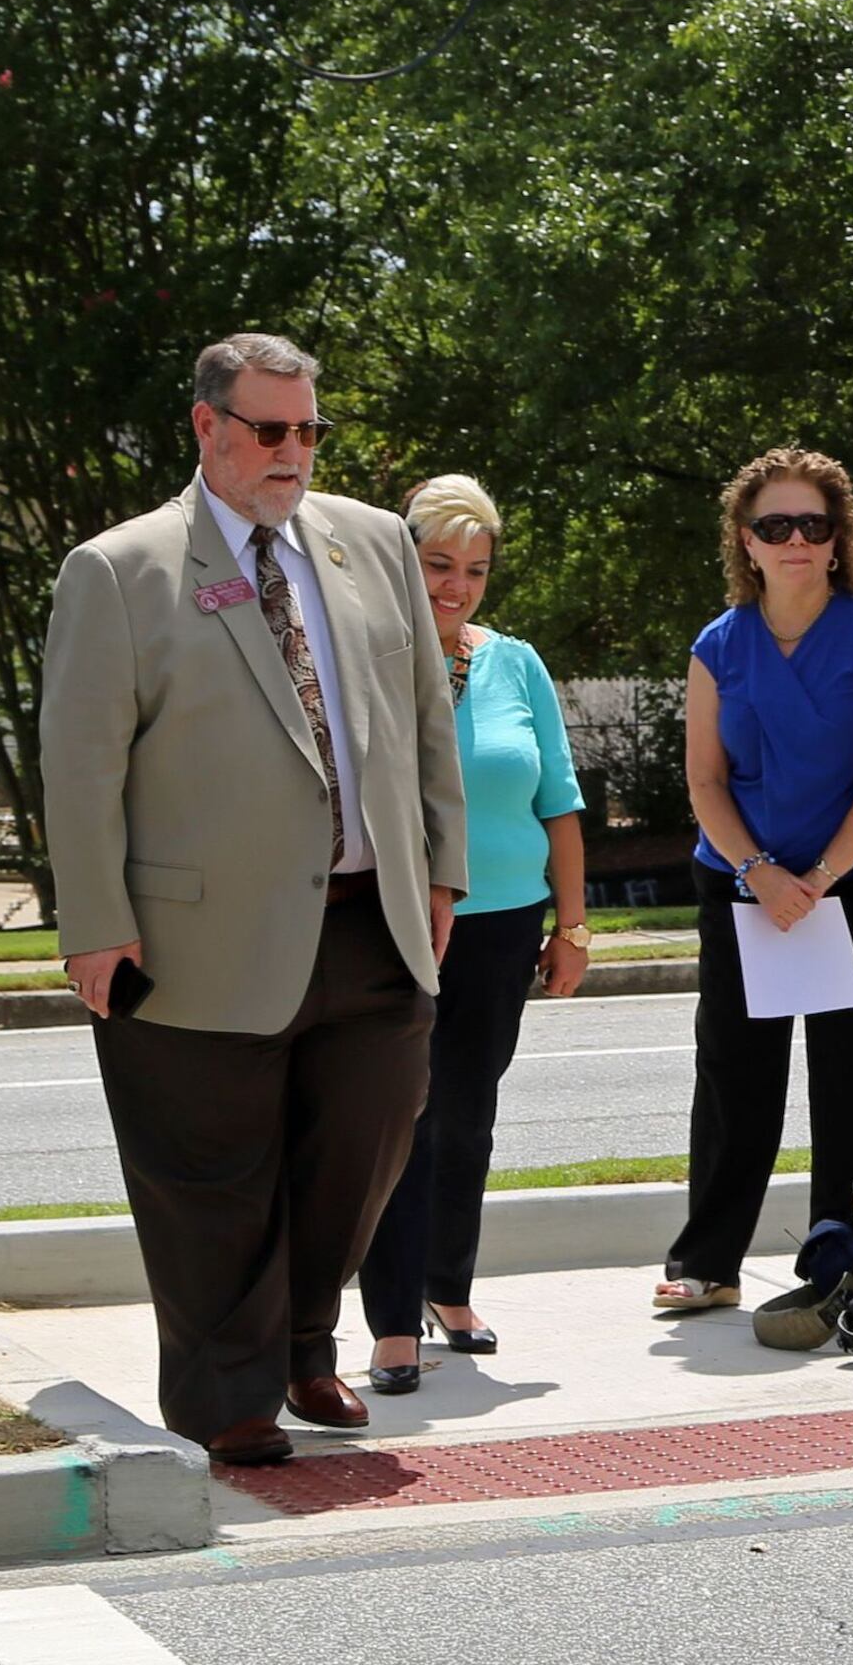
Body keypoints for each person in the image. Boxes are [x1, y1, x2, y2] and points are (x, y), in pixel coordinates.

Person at [40, 334, 466, 1465]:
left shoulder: (375, 545)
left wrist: (441, 868)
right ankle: (228, 1393)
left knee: (363, 1148)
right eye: (271, 429)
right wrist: (93, 921)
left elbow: (427, 719)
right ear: (207, 426)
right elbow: (81, 767)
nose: (293, 451)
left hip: (371, 918)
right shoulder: (120, 569)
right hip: (192, 935)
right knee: (209, 1179)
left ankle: (300, 1343)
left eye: (309, 429)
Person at [658, 448, 853, 1348]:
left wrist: (817, 881)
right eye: (778, 526)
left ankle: (844, 1260)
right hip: (743, 875)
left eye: (815, 524)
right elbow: (704, 782)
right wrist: (759, 873)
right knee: (735, 1066)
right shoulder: (716, 645)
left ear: (838, 536)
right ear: (748, 540)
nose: (797, 540)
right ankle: (708, 1260)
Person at [356, 475, 590, 1390]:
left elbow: (560, 802)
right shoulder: (366, 656)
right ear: (402, 560)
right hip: (399, 921)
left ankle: (448, 1287)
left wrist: (572, 927)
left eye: (476, 570)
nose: (455, 586)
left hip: (503, 925)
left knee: (467, 1118)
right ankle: (390, 1320)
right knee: (397, 1117)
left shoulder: (516, 663)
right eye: (438, 563)